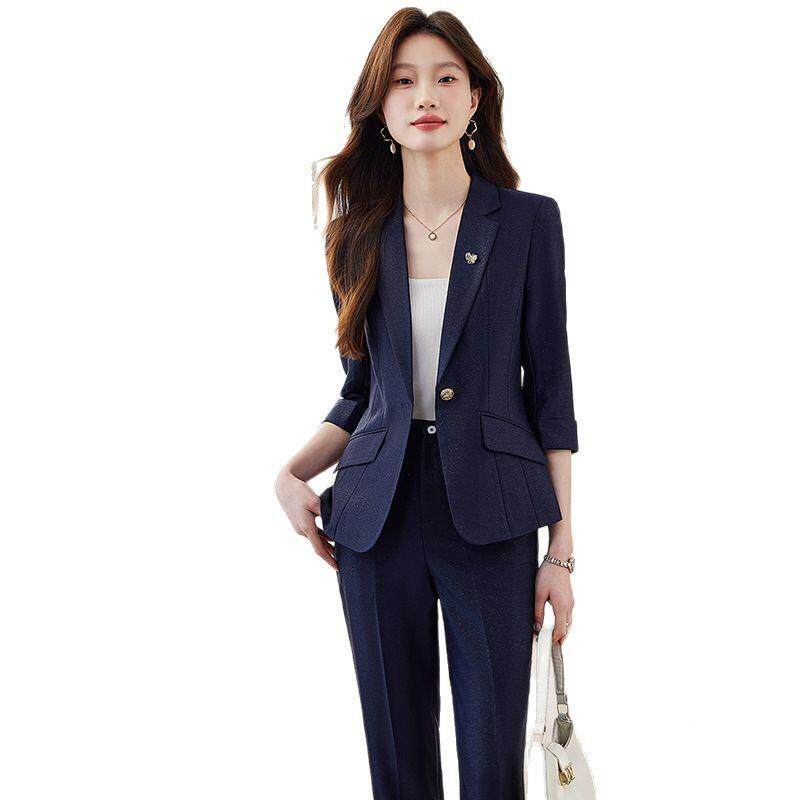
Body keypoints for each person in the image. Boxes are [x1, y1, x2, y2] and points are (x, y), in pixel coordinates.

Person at [275, 9, 578, 799]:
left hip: (493, 512)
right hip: (374, 517)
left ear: (475, 98)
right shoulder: (353, 236)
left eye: (446, 78)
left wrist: (560, 550)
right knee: (398, 763)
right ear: (380, 108)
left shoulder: (528, 223)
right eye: (403, 81)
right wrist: (290, 474)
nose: (425, 97)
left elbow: (551, 393)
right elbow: (360, 394)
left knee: (491, 764)